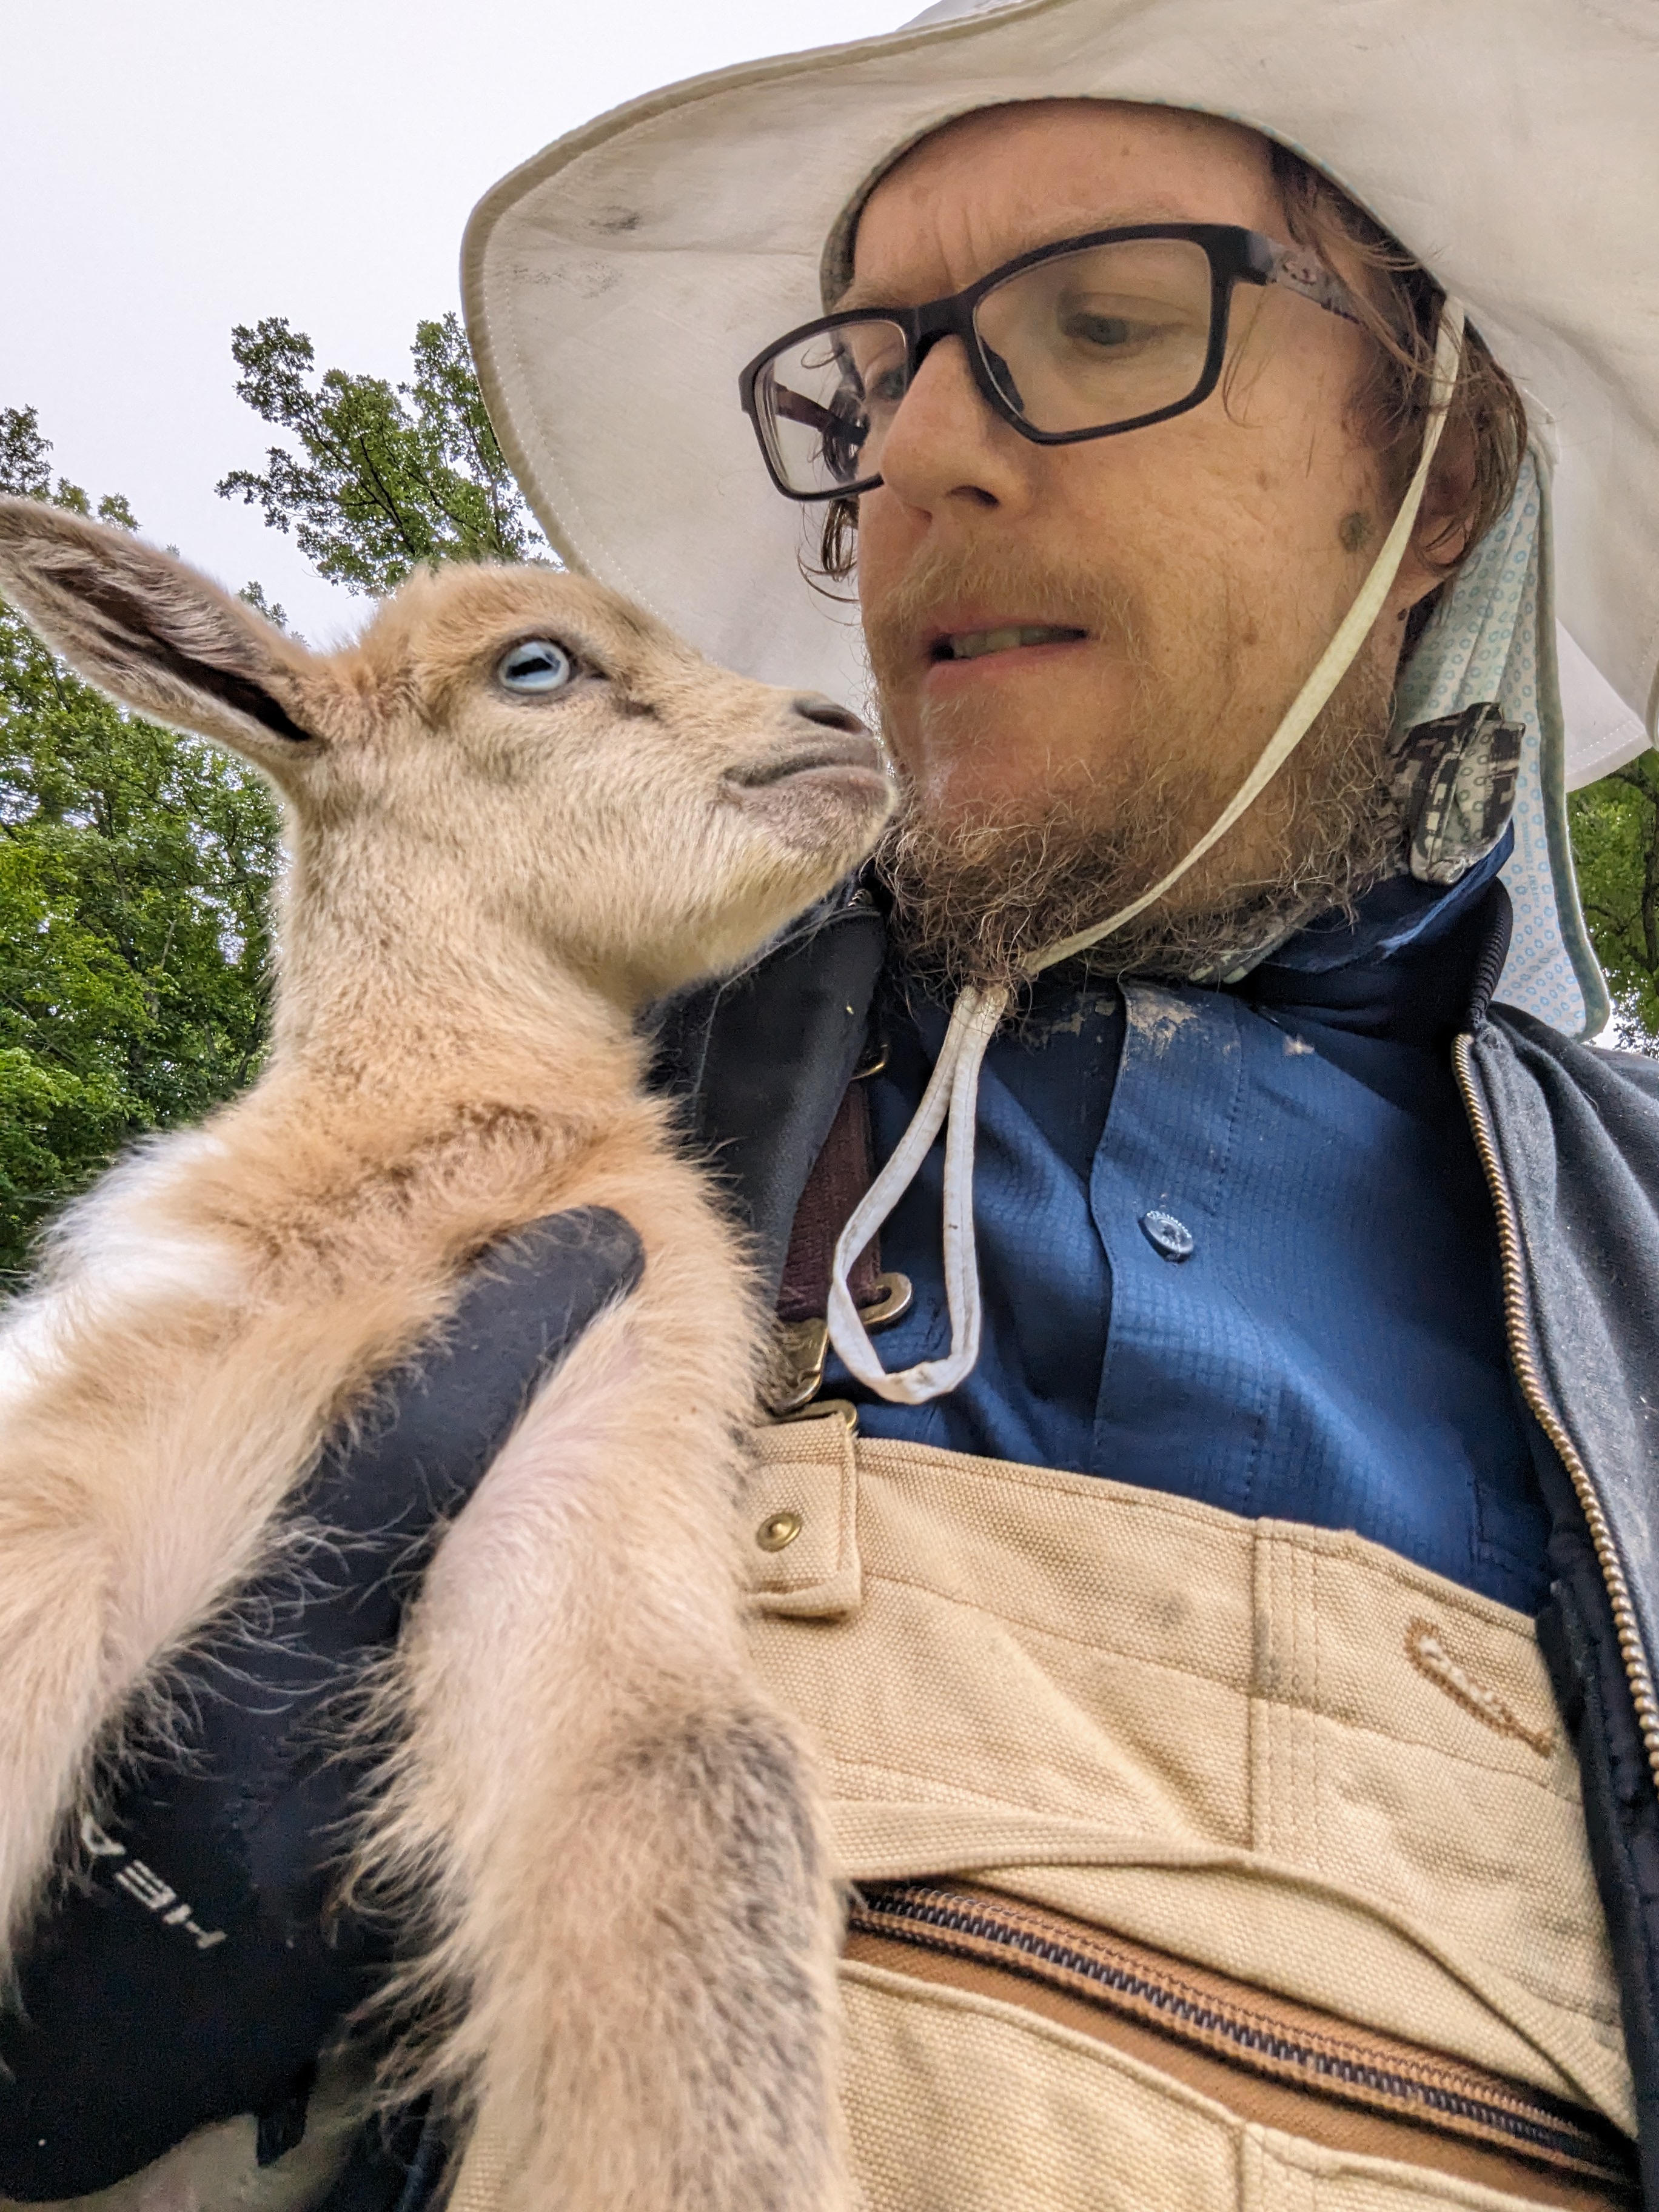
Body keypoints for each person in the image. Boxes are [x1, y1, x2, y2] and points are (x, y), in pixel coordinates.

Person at [5, 5, 1657, 2210]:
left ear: (1431, 474)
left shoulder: (1630, 1262)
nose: (919, 462)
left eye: (1101, 323)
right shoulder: (568, 1149)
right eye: (872, 387)